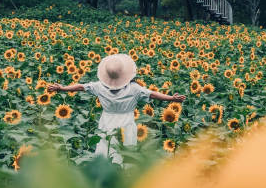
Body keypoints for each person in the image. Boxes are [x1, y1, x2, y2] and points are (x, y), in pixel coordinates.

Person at [47, 53, 185, 164]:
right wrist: (171, 98)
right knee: (125, 151)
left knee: (105, 147)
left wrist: (62, 88)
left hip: (106, 121)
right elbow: (153, 94)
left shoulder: (99, 87)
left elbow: (81, 87)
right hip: (126, 123)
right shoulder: (134, 89)